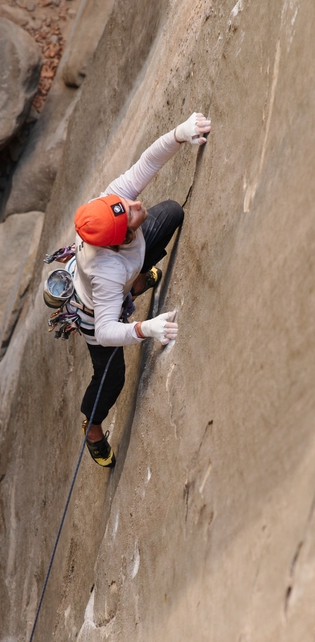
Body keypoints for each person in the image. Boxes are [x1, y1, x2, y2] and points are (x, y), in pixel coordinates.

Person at [71, 111, 211, 467]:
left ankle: (134, 286)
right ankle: (92, 428)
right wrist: (144, 328)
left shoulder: (110, 206)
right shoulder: (104, 272)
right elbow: (104, 331)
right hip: (96, 312)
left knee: (170, 214)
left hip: (122, 276)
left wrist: (180, 134)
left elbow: (146, 163)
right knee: (111, 378)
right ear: (121, 240)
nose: (135, 204)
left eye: (126, 206)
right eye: (131, 214)